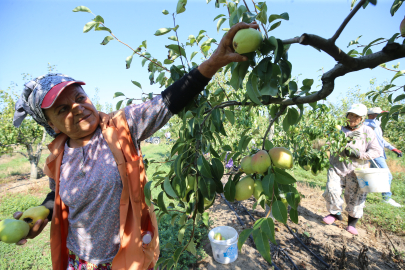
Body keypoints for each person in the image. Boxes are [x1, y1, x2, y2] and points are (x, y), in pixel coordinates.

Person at [10, 21, 259, 270]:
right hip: (80, 260)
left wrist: (214, 61)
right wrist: (43, 211)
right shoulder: (58, 155)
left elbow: (169, 101)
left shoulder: (122, 127)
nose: (77, 108)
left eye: (79, 98)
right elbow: (57, 195)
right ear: (52, 125)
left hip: (126, 257)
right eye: (63, 109)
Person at [322, 104, 382, 235]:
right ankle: (335, 214)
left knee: (356, 197)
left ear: (362, 118)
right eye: (350, 115)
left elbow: (377, 150)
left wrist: (360, 155)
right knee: (331, 190)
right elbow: (326, 143)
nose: (352, 118)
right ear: (346, 115)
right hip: (337, 167)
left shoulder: (367, 131)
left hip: (357, 170)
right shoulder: (338, 129)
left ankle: (351, 224)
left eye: (356, 116)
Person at [365, 107, 403, 207]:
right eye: (379, 115)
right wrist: (385, 113)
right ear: (372, 115)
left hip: (380, 154)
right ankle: (386, 198)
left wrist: (393, 149)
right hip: (375, 154)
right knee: (387, 176)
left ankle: (360, 194)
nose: (382, 118)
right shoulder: (368, 124)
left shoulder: (376, 126)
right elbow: (374, 123)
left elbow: (381, 140)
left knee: (371, 175)